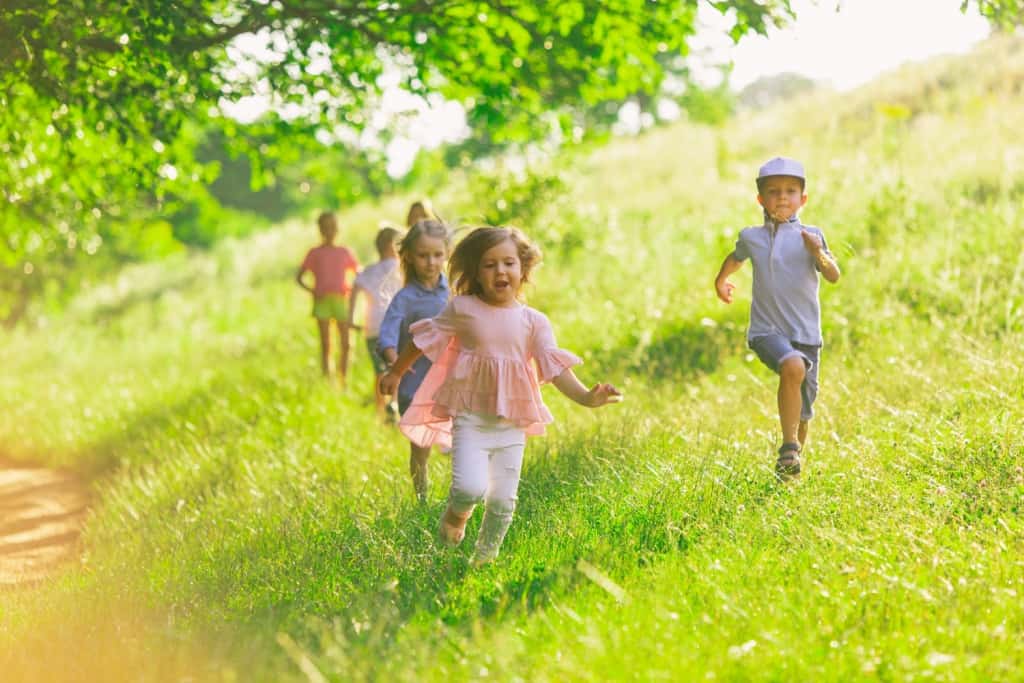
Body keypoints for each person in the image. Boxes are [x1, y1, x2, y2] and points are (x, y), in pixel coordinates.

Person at [380, 226, 622, 567]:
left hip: (512, 424)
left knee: (504, 500)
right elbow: (423, 340)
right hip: (471, 418)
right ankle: (455, 516)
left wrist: (586, 397)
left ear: (523, 268)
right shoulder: (463, 308)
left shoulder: (534, 322)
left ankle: (484, 559)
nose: (500, 271)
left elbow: (553, 367)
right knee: (470, 488)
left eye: (508, 263)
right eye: (489, 265)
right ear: (476, 273)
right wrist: (395, 372)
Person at [713, 157, 841, 480]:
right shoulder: (752, 236)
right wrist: (721, 280)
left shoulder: (812, 235)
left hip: (806, 333)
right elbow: (736, 257)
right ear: (760, 199)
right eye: (773, 192)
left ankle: (790, 469)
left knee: (804, 410)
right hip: (766, 331)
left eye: (790, 191)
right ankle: (788, 447)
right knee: (792, 366)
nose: (782, 197)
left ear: (803, 199)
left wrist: (818, 252)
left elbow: (833, 275)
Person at [377, 219, 453, 501]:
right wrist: (395, 363)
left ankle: (461, 498)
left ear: (446, 254)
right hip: (416, 383)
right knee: (421, 449)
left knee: (464, 438)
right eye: (423, 256)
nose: (431, 262)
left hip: (453, 381)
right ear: (408, 256)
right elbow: (387, 334)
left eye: (437, 255)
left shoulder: (453, 292)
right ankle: (422, 499)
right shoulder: (405, 298)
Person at [296, 211, 360, 383]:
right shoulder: (314, 252)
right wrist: (312, 291)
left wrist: (353, 290)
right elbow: (299, 277)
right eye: (325, 227)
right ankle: (327, 379)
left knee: (346, 343)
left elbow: (359, 274)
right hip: (322, 301)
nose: (329, 230)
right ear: (320, 229)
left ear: (337, 228)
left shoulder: (344, 251)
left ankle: (343, 379)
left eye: (332, 226)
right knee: (326, 344)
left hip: (341, 300)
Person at [348, 225, 403, 421]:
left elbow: (354, 292)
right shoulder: (401, 268)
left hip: (372, 327)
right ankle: (394, 404)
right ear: (393, 246)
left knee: (379, 371)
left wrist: (351, 320)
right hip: (396, 326)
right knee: (397, 368)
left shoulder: (368, 271)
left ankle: (380, 412)